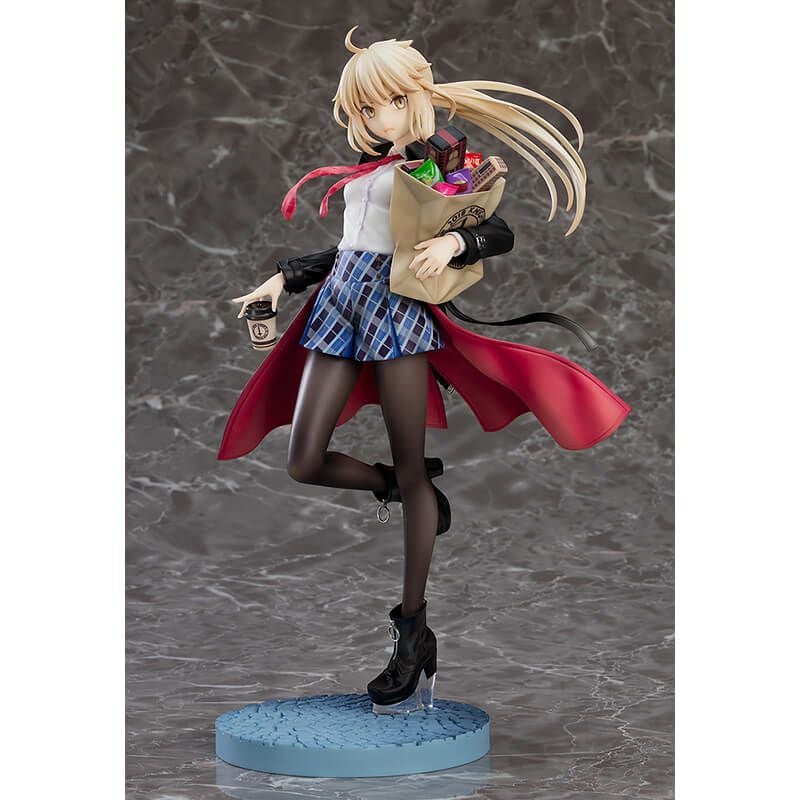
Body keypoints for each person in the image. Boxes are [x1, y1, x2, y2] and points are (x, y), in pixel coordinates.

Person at [218, 27, 631, 715]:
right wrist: (282, 279)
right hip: (339, 306)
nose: (379, 118)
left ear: (417, 94)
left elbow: (498, 231)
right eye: (365, 108)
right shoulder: (367, 166)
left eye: (389, 102)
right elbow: (352, 246)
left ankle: (413, 632)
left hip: (397, 314)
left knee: (413, 466)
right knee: (304, 460)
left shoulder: (443, 161)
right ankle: (396, 488)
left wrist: (456, 239)